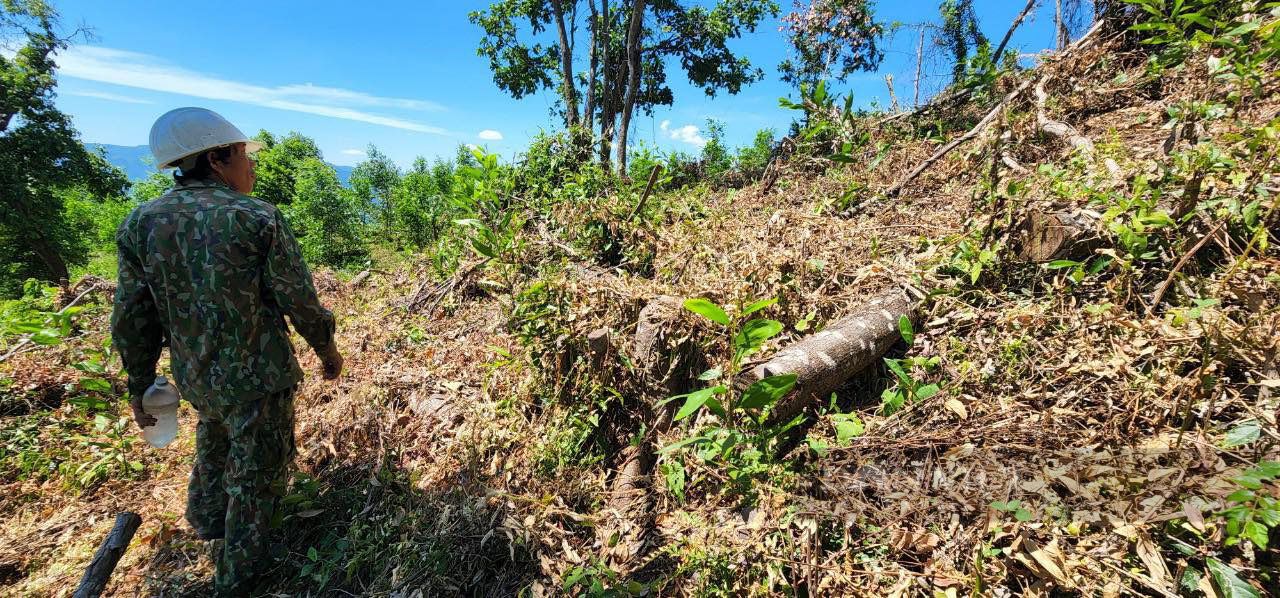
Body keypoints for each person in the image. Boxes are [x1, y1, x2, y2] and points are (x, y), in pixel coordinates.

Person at [111, 107, 344, 595]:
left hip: (197, 378)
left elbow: (134, 316)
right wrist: (326, 349)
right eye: (244, 156)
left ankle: (209, 525)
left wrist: (139, 383)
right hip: (259, 376)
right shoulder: (256, 217)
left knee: (215, 447)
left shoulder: (141, 223)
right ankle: (238, 576)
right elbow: (297, 298)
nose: (251, 167)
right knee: (257, 476)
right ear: (216, 157)